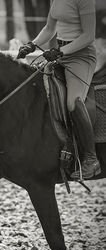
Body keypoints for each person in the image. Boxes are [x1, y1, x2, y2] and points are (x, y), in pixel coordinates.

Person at [17, 0, 101, 179]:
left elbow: (88, 36)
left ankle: (91, 160)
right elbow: (49, 28)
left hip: (82, 56)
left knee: (73, 102)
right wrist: (31, 45)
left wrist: (61, 52)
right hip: (62, 53)